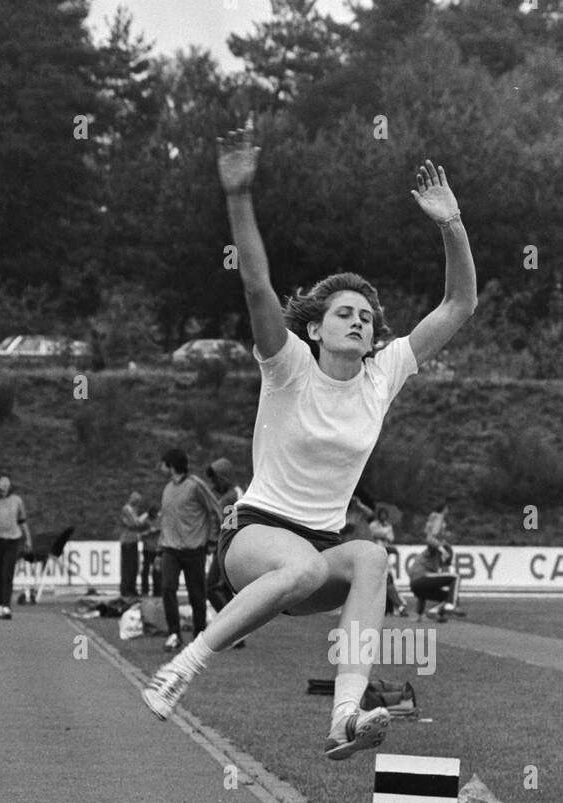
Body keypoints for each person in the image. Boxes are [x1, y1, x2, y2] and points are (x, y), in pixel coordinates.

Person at [142, 121, 477, 761]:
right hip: (255, 538)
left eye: (367, 317)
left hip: (320, 552)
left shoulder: (383, 375)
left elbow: (459, 304)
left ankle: (344, 717)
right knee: (300, 564)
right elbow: (256, 286)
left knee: (373, 557)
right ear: (316, 328)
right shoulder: (287, 364)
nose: (358, 321)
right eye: (344, 313)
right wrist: (238, 198)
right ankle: (181, 667)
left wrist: (450, 224)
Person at [157, 447, 222, 652]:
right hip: (170, 550)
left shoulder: (196, 486)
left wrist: (212, 540)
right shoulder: (167, 489)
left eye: (163, 463)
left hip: (194, 549)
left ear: (171, 464)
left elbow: (215, 511)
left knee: (196, 594)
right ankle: (174, 633)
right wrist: (160, 549)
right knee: (167, 588)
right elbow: (166, 521)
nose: (160, 467)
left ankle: (199, 635)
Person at [205, 458, 246, 646]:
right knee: (221, 589)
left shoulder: (230, 497)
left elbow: (229, 525)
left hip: (227, 548)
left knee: (212, 587)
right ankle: (236, 632)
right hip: (233, 547)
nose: (214, 484)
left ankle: (231, 632)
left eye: (215, 480)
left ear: (223, 477)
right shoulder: (237, 492)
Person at [0, 473, 33, 619]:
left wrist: (28, 539)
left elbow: (22, 520)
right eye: (2, 482)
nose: (5, 484)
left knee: (8, 574)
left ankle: (6, 607)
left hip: (13, 540)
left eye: (7, 482)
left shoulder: (17, 500)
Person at [368, 505, 408, 616]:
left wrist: (384, 534)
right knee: (381, 583)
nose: (383, 516)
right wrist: (384, 533)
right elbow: (374, 534)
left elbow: (391, 538)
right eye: (382, 514)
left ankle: (391, 608)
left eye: (385, 515)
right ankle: (398, 606)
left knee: (388, 581)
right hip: (374, 556)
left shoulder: (388, 525)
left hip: (385, 556)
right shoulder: (373, 524)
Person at [408, 539, 462, 621]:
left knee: (449, 595)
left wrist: (419, 613)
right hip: (421, 577)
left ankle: (433, 611)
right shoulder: (433, 552)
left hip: (415, 586)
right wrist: (441, 548)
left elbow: (422, 594)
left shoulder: (433, 565)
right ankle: (451, 605)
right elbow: (429, 540)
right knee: (455, 577)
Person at [119, 490, 149, 599]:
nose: (138, 503)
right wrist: (146, 515)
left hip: (133, 541)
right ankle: (126, 589)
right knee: (127, 567)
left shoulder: (132, 510)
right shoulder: (127, 509)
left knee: (134, 567)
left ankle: (132, 588)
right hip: (127, 541)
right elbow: (135, 523)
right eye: (137, 501)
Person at [140, 506, 161, 597]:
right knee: (145, 571)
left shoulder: (160, 519)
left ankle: (157, 590)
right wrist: (149, 531)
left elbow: (164, 530)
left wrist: (157, 530)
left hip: (156, 549)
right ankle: (145, 590)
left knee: (157, 571)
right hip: (147, 549)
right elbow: (140, 532)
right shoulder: (145, 520)